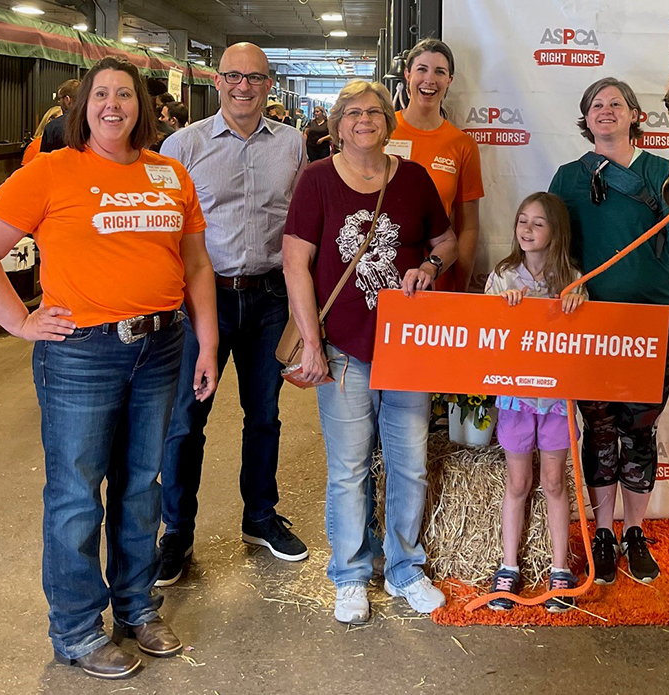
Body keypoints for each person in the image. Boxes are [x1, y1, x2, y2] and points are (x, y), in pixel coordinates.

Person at [0, 56, 218, 680]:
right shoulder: (50, 172)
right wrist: (20, 320)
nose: (112, 105)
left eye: (124, 95)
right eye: (101, 94)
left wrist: (207, 345)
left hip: (161, 347)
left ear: (142, 108)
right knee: (77, 497)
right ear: (82, 106)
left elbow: (198, 267)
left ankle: (135, 606)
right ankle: (76, 629)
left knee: (141, 485)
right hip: (81, 354)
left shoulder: (170, 173)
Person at [282, 79, 458, 624]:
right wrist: (311, 343)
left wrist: (429, 267)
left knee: (408, 466)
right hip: (342, 349)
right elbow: (295, 265)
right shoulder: (315, 181)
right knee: (348, 469)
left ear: (389, 121)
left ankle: (405, 567)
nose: (365, 120)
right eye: (353, 113)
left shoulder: (413, 179)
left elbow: (445, 242)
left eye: (375, 112)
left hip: (406, 349)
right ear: (337, 125)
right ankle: (351, 573)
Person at [156, 43, 309, 588]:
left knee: (264, 415)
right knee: (185, 420)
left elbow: (302, 225)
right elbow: (162, 225)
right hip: (204, 298)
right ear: (217, 82)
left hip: (269, 298)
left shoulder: (293, 145)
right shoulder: (184, 144)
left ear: (270, 85)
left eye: (255, 78)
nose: (244, 87)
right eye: (233, 77)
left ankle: (260, 517)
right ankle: (177, 532)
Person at [549, 77, 669, 583]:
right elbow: (555, 251)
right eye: (596, 105)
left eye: (616, 103)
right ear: (586, 118)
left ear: (636, 115)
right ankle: (601, 531)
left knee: (640, 430)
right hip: (591, 324)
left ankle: (634, 531)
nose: (606, 110)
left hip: (651, 319)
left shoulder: (666, 172)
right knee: (596, 430)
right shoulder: (568, 178)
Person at [483, 192, 586, 613]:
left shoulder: (574, 278)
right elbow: (484, 333)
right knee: (519, 482)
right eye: (522, 220)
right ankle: (509, 566)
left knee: (555, 482)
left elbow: (584, 339)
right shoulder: (504, 276)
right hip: (515, 399)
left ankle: (560, 568)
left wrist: (579, 305)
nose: (526, 229)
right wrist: (504, 310)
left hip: (558, 401)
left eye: (537, 223)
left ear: (555, 232)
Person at [390, 38, 483, 291]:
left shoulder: (462, 145)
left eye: (439, 72)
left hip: (435, 279)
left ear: (449, 81)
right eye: (422, 69)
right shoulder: (382, 133)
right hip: (381, 275)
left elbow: (468, 227)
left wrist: (460, 288)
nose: (430, 80)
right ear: (407, 75)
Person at [40, 78, 81, 152]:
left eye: (60, 99)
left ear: (67, 99)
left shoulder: (53, 127)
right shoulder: (96, 123)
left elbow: (44, 159)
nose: (59, 103)